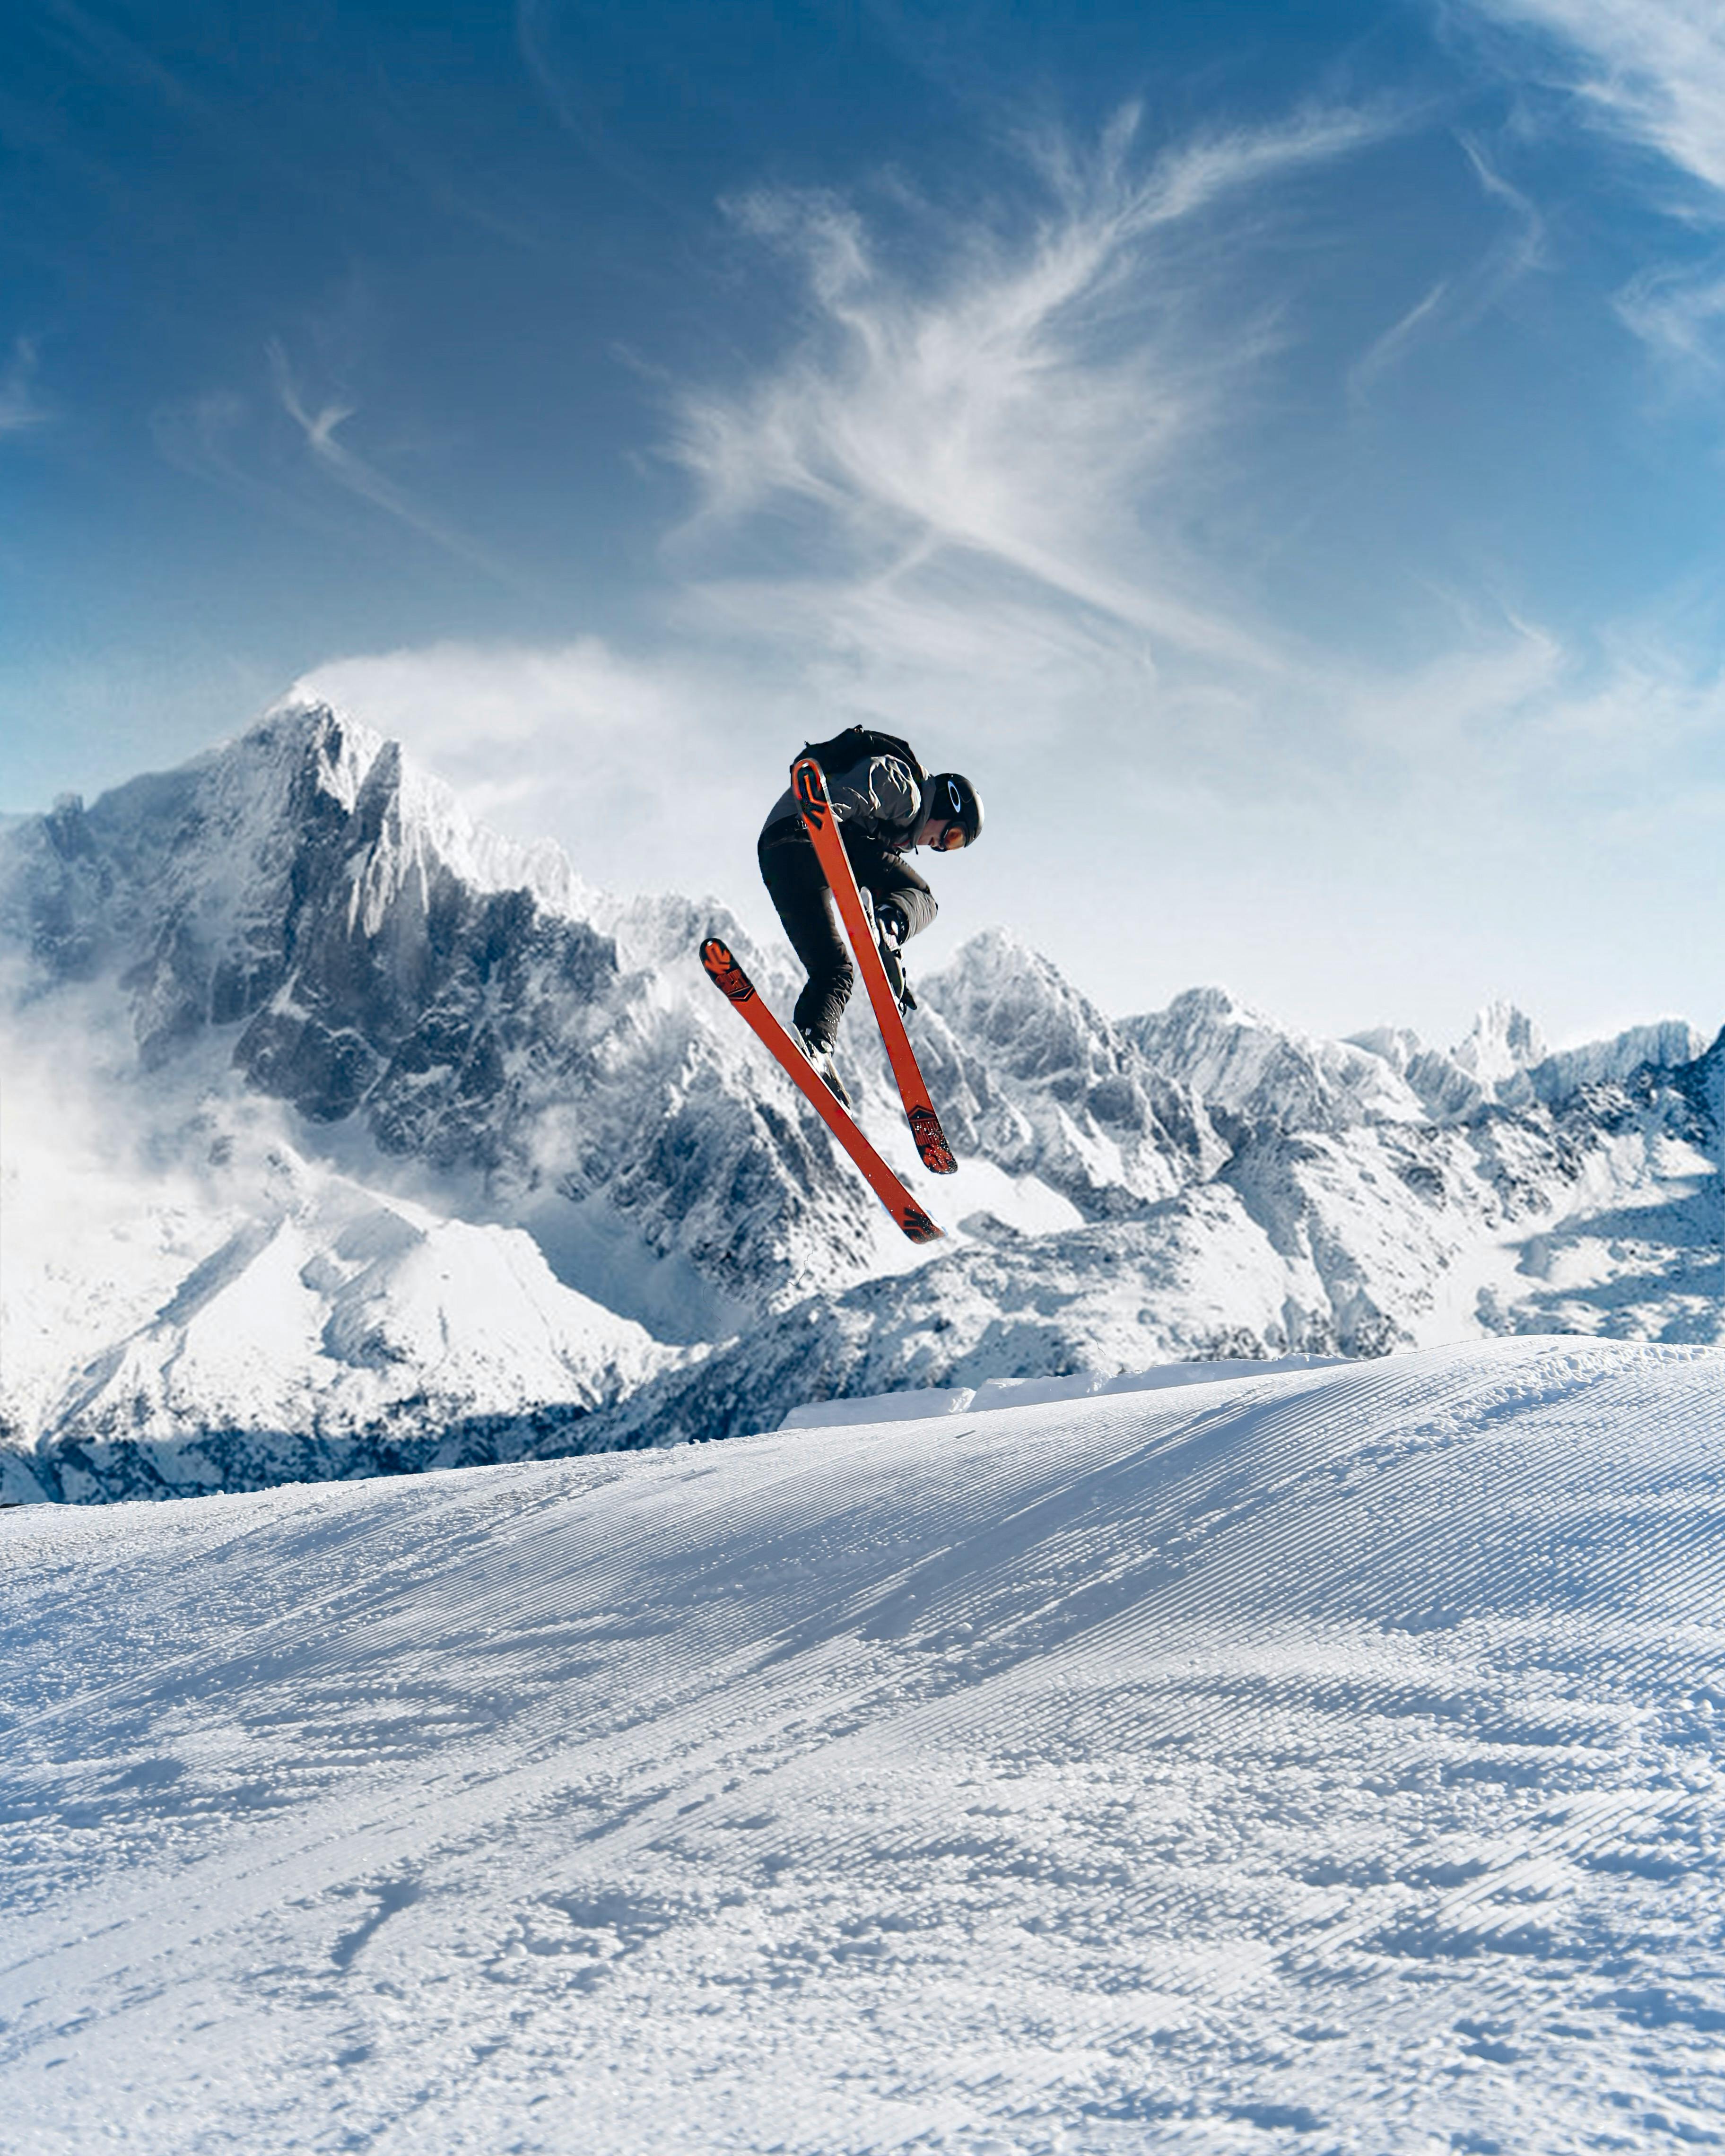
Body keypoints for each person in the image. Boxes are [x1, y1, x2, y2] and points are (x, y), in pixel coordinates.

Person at [758, 730, 983, 1106]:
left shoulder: (893, 826)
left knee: (835, 970)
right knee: (923, 898)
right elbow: (866, 785)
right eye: (954, 835)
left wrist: (890, 966)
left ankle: (815, 1043)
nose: (942, 846)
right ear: (948, 804)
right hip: (812, 831)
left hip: (779, 857)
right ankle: (891, 924)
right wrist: (824, 818)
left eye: (953, 846)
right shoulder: (908, 790)